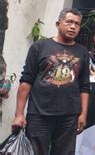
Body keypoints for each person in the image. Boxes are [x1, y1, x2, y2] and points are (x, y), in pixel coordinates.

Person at [12, 8, 90, 155]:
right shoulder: (39, 47)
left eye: (77, 24)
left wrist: (83, 114)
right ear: (58, 23)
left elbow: (84, 86)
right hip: (39, 114)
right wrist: (19, 114)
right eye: (69, 22)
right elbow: (26, 80)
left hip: (69, 116)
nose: (73, 26)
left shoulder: (83, 52)